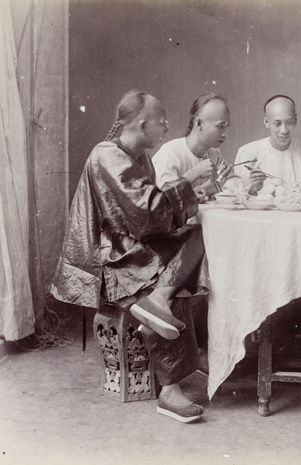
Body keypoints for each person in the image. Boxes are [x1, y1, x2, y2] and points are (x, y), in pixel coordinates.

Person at [50, 90, 215, 424]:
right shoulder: (106, 155)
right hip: (112, 256)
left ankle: (159, 299)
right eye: (162, 120)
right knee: (167, 273)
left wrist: (194, 194)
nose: (168, 126)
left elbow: (153, 213)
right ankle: (169, 391)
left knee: (199, 236)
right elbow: (144, 213)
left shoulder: (138, 155)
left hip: (135, 245)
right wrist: (188, 181)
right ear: (143, 123)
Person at [233, 95, 301, 190]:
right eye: (277, 124)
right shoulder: (247, 153)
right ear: (266, 122)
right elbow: (237, 197)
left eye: (289, 122)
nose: (284, 130)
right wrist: (254, 188)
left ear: (296, 120)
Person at [153, 92, 234, 203]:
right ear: (199, 123)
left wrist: (214, 186)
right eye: (220, 126)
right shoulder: (170, 153)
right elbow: (164, 201)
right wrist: (195, 173)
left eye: (226, 126)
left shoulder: (214, 154)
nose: (225, 134)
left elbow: (231, 188)